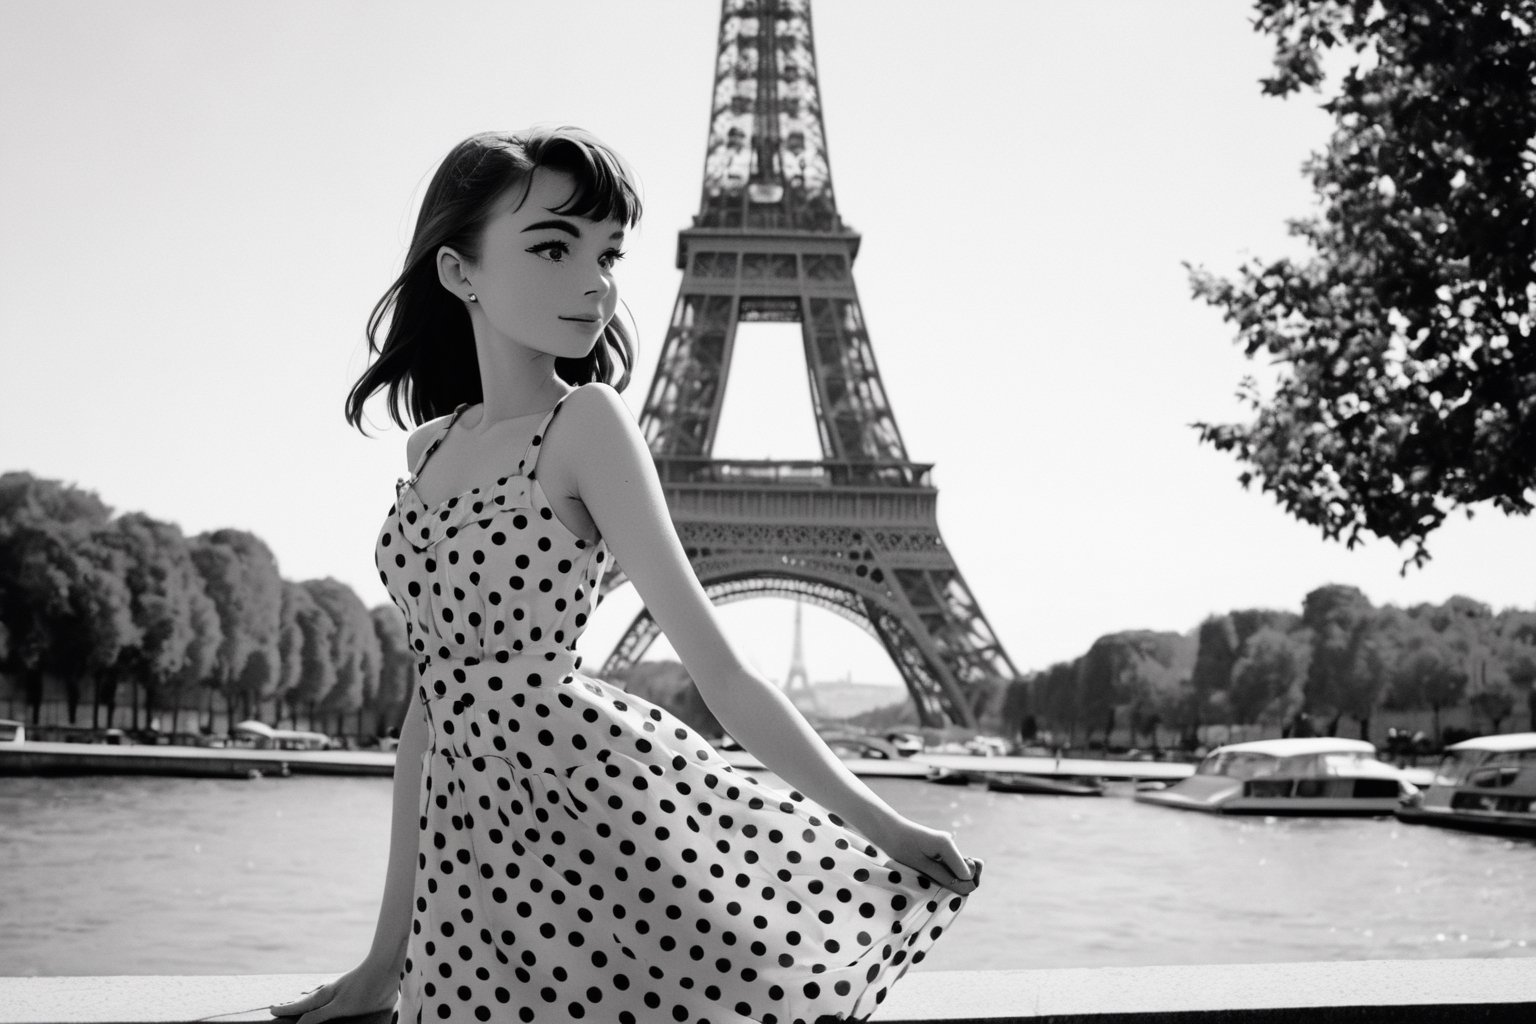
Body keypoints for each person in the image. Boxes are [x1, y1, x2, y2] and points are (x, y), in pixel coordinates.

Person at [271, 126, 979, 1024]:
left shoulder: (589, 424)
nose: (595, 282)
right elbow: (428, 712)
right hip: (465, 867)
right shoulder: (429, 446)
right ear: (459, 273)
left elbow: (721, 675)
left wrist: (883, 825)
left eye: (607, 253)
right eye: (554, 248)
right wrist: (384, 958)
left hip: (588, 829)